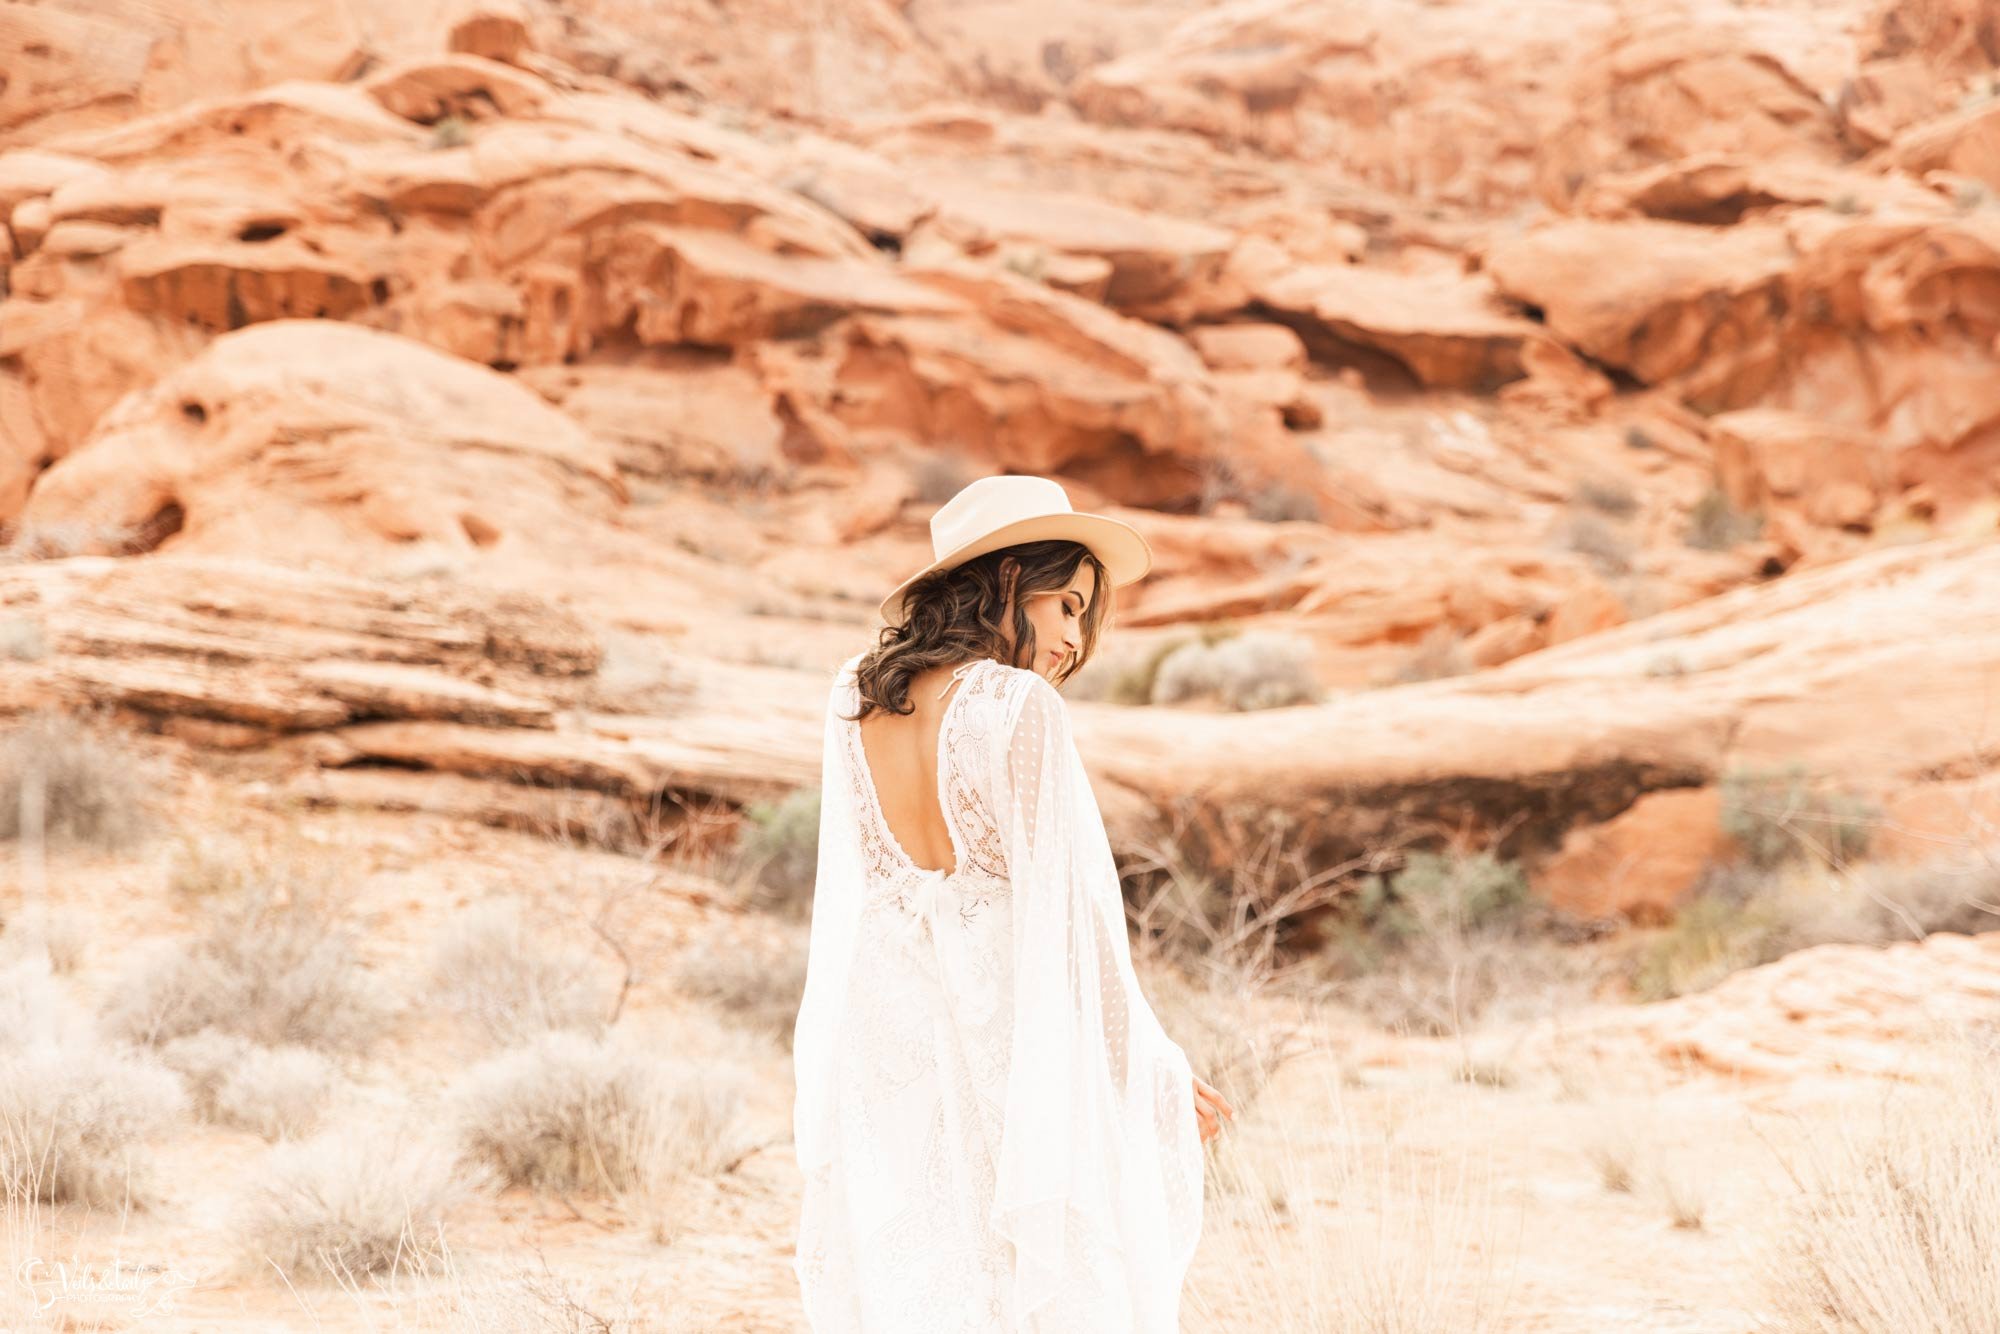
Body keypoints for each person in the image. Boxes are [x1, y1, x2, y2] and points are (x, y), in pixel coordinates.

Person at [792, 473, 1236, 1333]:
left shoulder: (854, 694)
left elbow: (857, 880)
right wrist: (1147, 1066)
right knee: (1029, 1278)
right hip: (1001, 1024)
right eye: (1065, 604)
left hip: (887, 1022)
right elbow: (1072, 919)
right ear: (1003, 582)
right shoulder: (1013, 703)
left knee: (921, 1269)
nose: (1074, 637)